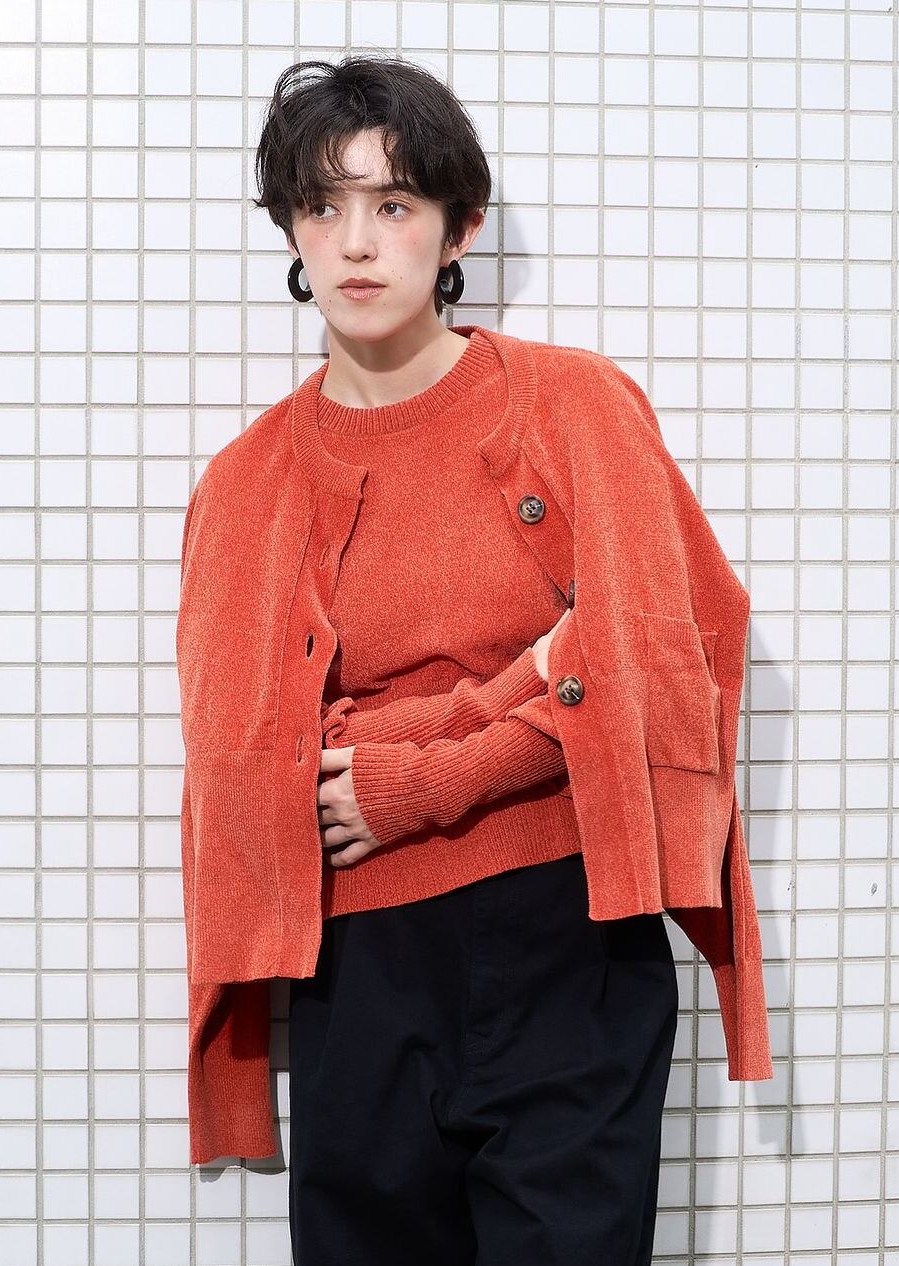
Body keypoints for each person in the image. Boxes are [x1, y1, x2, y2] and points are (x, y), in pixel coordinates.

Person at [242, 54, 680, 1265]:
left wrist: (424, 774)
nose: (356, 242)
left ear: (459, 227)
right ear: (290, 230)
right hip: (361, 960)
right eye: (322, 205)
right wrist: (537, 674)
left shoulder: (573, 407)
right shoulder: (249, 483)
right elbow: (264, 756)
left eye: (393, 204)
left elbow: (656, 653)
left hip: (567, 929)